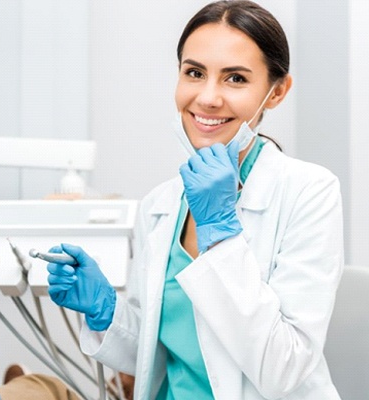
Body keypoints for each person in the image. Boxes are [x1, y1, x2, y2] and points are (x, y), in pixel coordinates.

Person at [46, 1, 344, 399]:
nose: (207, 97)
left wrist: (219, 234)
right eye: (194, 73)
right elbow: (159, 355)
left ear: (276, 92)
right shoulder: (160, 204)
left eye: (235, 79)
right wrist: (106, 311)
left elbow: (283, 369)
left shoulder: (309, 192)